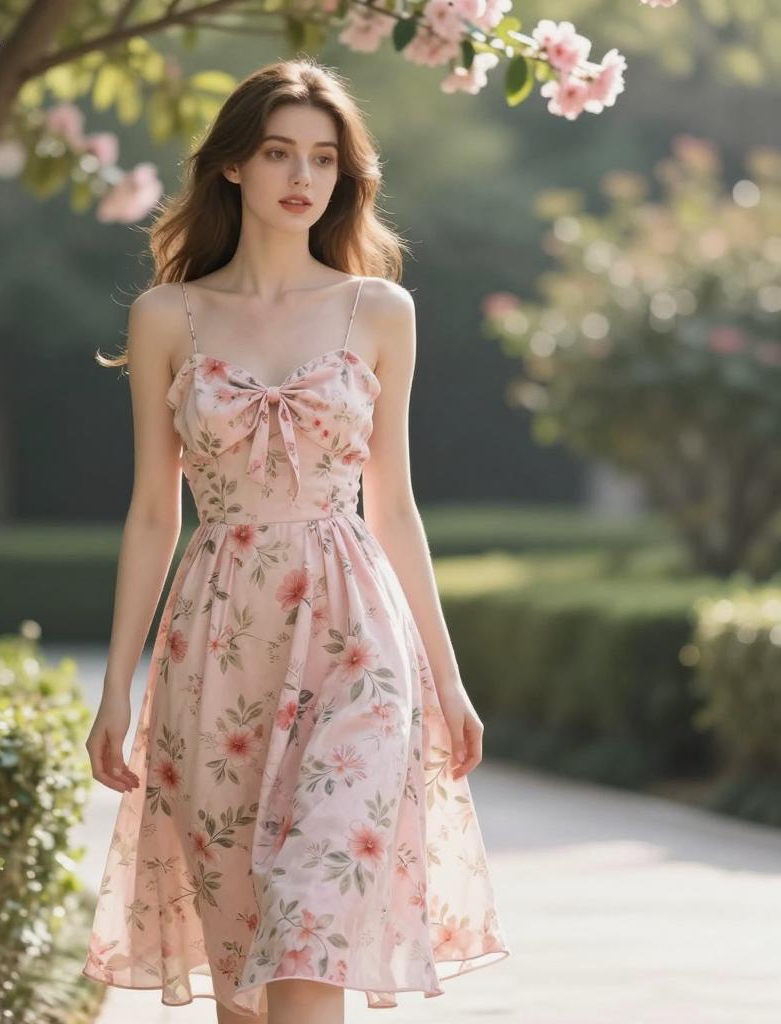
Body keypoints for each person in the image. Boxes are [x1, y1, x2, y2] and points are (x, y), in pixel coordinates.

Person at [83, 57, 511, 1024]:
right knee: (243, 962)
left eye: (323, 158)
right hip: (218, 642)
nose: (302, 177)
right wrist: (118, 686)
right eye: (279, 152)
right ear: (234, 165)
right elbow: (155, 511)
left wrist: (448, 683)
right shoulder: (167, 317)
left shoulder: (380, 312)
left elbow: (392, 505)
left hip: (357, 639)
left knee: (315, 915)